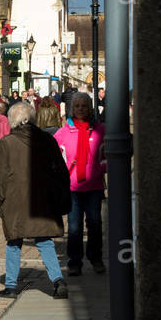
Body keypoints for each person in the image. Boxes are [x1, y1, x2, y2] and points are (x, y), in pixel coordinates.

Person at [0, 102, 71, 299]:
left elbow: (0, 177)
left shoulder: (7, 143)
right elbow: (61, 171)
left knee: (14, 242)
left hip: (15, 200)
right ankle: (57, 279)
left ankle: (11, 285)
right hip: (43, 199)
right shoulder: (47, 140)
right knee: (45, 241)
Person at [53, 92, 106, 276]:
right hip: (73, 188)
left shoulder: (100, 130)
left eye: (84, 106)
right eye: (77, 106)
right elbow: (55, 159)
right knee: (74, 227)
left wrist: (100, 169)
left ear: (90, 108)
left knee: (95, 223)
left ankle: (96, 257)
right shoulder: (63, 133)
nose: (81, 109)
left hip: (94, 186)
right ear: (71, 109)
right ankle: (74, 261)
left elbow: (107, 157)